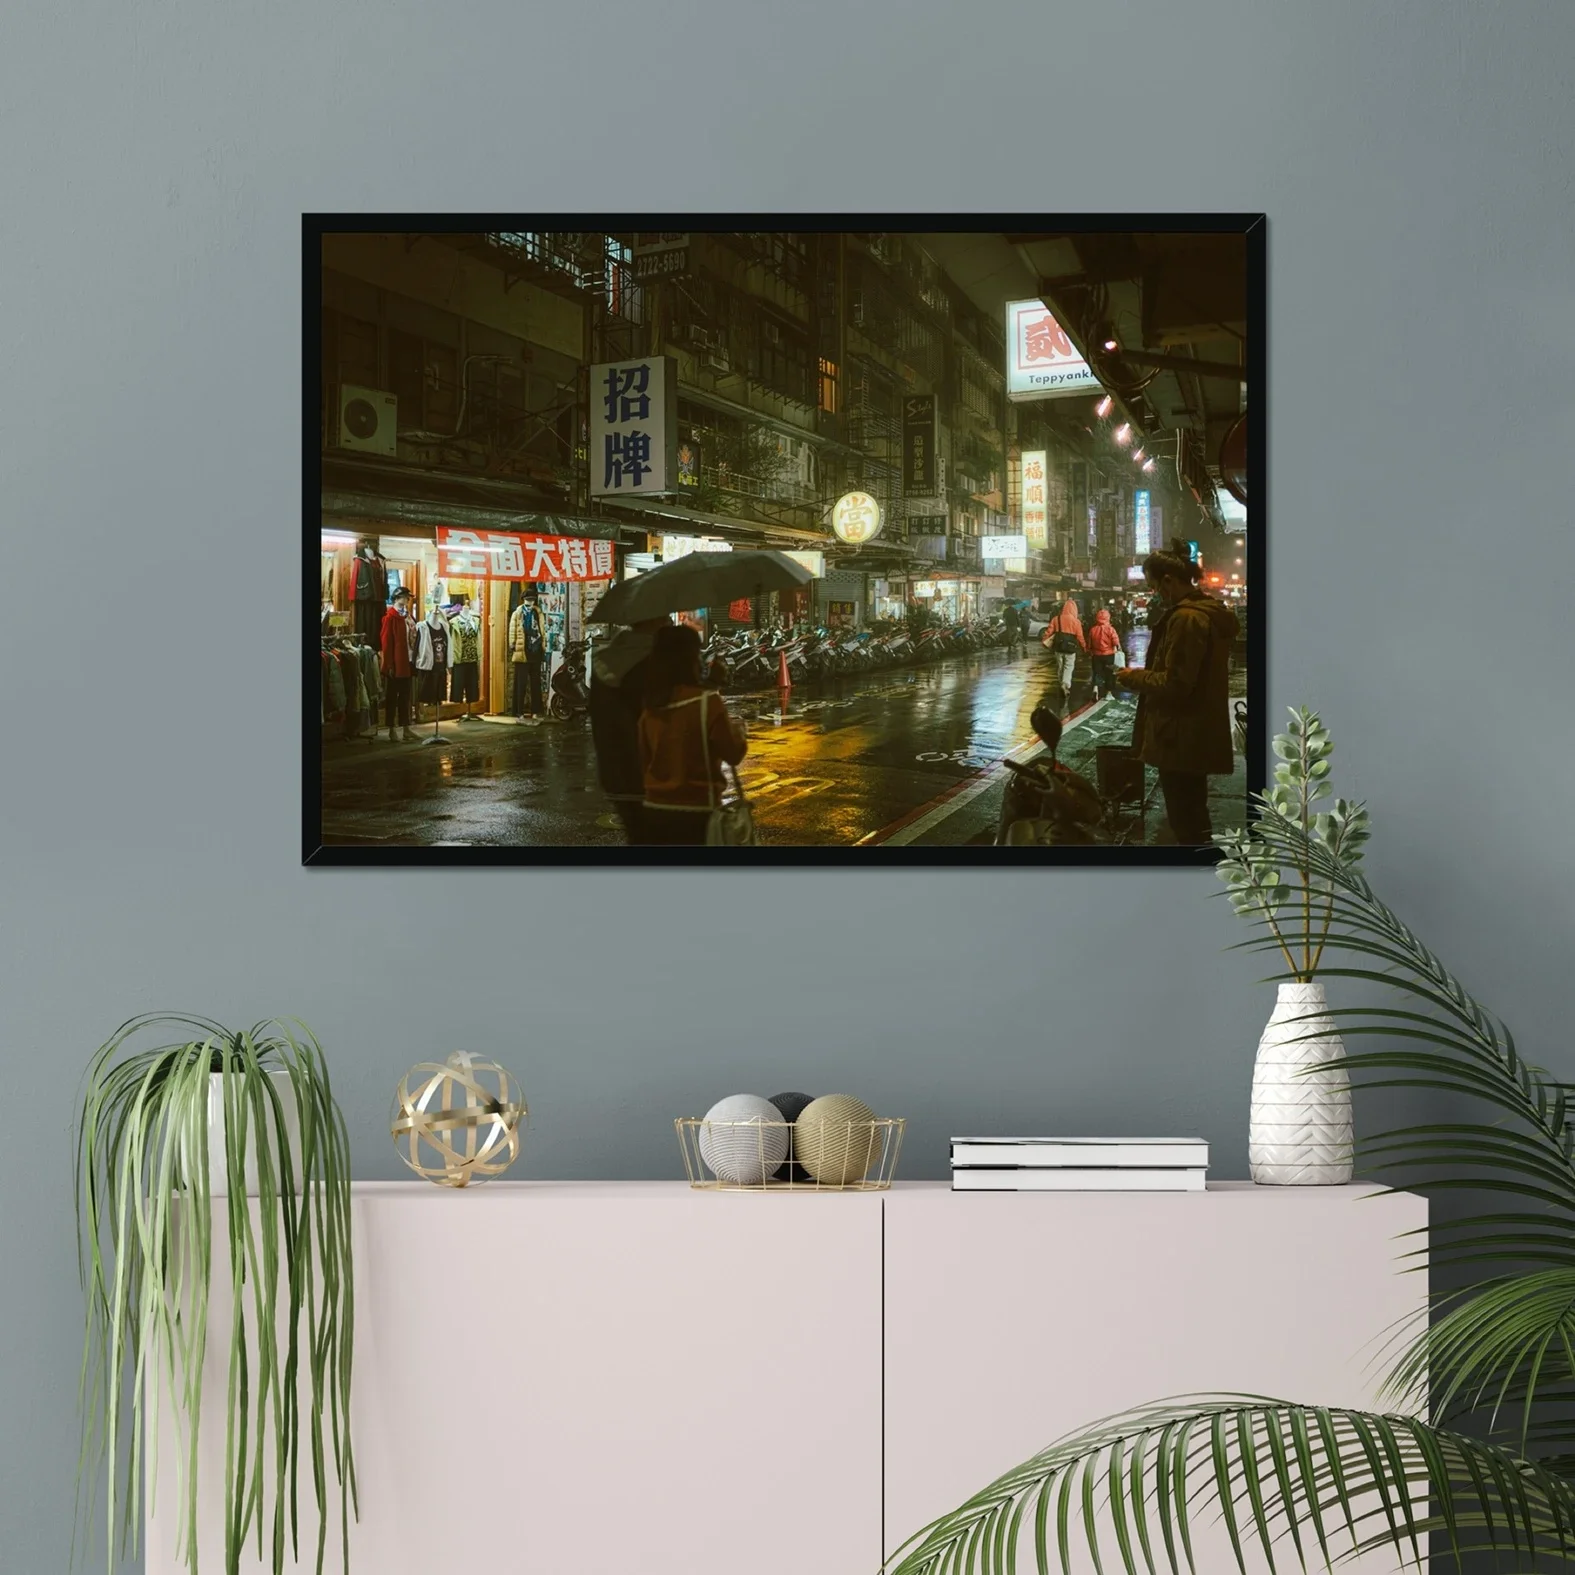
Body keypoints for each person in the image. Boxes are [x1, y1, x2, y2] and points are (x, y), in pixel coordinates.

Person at [1114, 539, 1240, 846]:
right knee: (1193, 814)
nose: (1155, 594)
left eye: (1155, 587)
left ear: (1169, 581)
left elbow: (1176, 684)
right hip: (1190, 735)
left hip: (1180, 737)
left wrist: (1134, 677)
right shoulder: (1202, 613)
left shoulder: (1187, 618)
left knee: (1187, 821)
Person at [638, 623, 748, 846]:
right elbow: (733, 753)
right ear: (688, 659)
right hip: (698, 813)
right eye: (697, 653)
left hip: (655, 812)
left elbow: (644, 762)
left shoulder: (650, 709)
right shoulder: (708, 703)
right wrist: (738, 731)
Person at [588, 617, 670, 844]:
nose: (670, 623)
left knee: (638, 837)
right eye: (665, 618)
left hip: (615, 773)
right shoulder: (654, 662)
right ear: (654, 622)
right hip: (651, 774)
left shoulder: (604, 660)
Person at [378, 585, 417, 742]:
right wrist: (388, 665)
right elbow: (386, 644)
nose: (407, 600)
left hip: (408, 661)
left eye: (408, 597)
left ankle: (406, 728)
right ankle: (392, 729)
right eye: (405, 597)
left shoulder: (408, 617)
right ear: (397, 597)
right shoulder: (390, 618)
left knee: (406, 696)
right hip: (396, 664)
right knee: (392, 697)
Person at [508, 588, 545, 722]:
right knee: (521, 683)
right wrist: (512, 643)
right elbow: (512, 629)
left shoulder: (538, 612)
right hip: (522, 650)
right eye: (528, 599)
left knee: (536, 683)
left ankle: (536, 710)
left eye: (532, 599)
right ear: (523, 600)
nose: (530, 602)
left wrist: (543, 644)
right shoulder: (518, 613)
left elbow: (542, 629)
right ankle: (519, 711)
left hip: (535, 650)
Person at [1044, 595, 1086, 696]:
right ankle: (1065, 684)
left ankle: (1061, 683)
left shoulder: (1056, 619)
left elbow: (1049, 631)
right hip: (1070, 648)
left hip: (1058, 647)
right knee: (1068, 666)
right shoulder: (1076, 622)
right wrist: (1084, 647)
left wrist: (1045, 640)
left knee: (1060, 666)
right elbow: (1080, 637)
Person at [1087, 607, 1123, 700]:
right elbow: (1116, 642)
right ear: (1108, 617)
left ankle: (1095, 689)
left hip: (1096, 655)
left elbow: (1089, 644)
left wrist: (1090, 651)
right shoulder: (1111, 629)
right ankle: (1108, 694)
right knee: (1109, 674)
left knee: (1097, 673)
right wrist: (1119, 649)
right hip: (1109, 655)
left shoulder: (1093, 629)